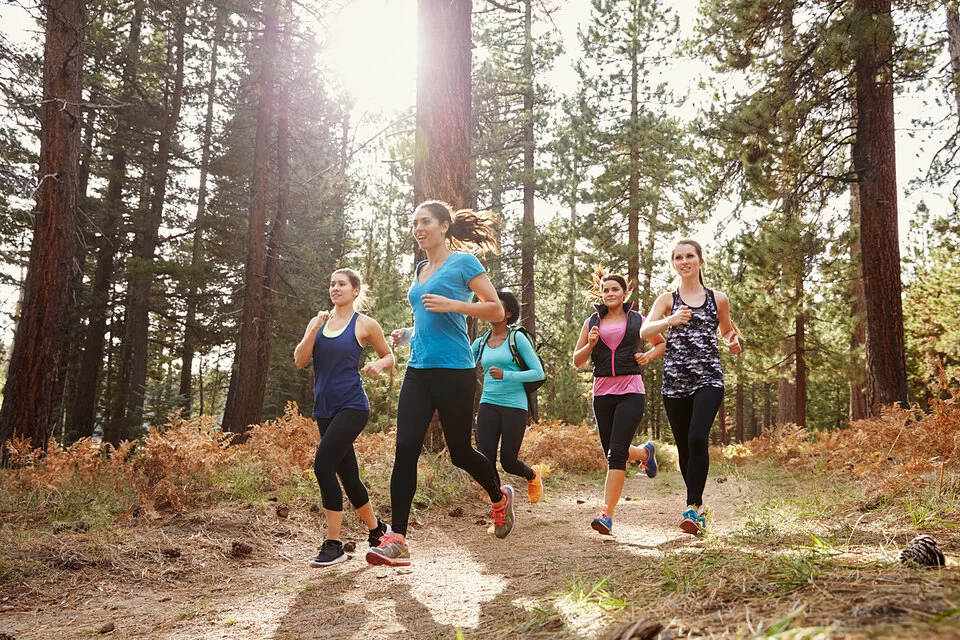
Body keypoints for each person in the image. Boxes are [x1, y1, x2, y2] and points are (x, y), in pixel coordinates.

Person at [366, 200, 514, 567]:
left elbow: (496, 309)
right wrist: (409, 332)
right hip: (419, 369)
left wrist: (455, 305)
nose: (418, 228)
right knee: (405, 448)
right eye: (414, 222)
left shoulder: (464, 263)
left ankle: (499, 497)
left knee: (461, 452)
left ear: (444, 226)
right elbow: (429, 317)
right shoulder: (419, 269)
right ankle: (397, 538)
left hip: (455, 370)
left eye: (426, 222)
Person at [293, 268, 395, 567]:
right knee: (348, 476)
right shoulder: (319, 323)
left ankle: (334, 544)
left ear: (355, 291)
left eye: (341, 284)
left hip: (352, 406)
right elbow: (300, 360)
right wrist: (313, 328)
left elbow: (390, 356)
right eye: (332, 284)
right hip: (324, 409)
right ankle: (378, 532)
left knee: (323, 467)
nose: (335, 288)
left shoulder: (364, 324)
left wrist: (379, 364)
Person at [640, 239, 742, 535]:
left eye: (690, 256)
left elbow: (727, 331)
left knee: (698, 437)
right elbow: (645, 330)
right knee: (685, 445)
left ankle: (692, 506)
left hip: (709, 377)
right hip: (675, 380)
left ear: (700, 260)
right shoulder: (667, 299)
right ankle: (696, 509)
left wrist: (733, 342)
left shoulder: (717, 298)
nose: (684, 261)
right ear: (674, 263)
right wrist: (670, 320)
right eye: (678, 257)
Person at [573, 269, 665, 536]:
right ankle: (645, 453)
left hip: (630, 390)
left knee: (615, 455)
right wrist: (590, 344)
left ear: (625, 294)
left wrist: (647, 356)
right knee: (614, 452)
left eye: (615, 289)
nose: (610, 294)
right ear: (601, 294)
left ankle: (606, 514)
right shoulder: (592, 321)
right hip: (602, 393)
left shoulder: (639, 320)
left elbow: (660, 344)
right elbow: (577, 361)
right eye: (606, 290)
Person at [471, 290, 546, 508]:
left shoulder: (517, 338)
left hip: (514, 406)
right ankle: (499, 506)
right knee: (485, 460)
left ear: (508, 314)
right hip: (488, 404)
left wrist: (507, 374)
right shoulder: (481, 342)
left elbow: (538, 372)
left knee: (509, 462)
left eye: (499, 306)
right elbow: (462, 361)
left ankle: (532, 475)